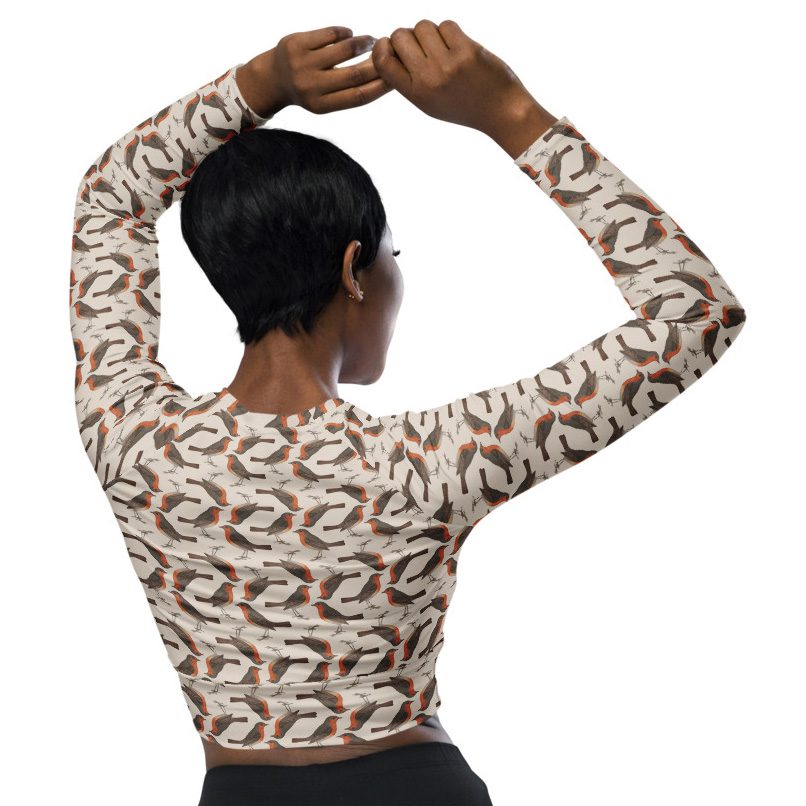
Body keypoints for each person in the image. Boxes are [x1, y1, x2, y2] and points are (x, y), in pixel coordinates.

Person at [69, 19, 747, 806]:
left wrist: (262, 83)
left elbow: (112, 197)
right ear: (354, 269)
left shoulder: (137, 445)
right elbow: (695, 315)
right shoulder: (428, 460)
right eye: (395, 254)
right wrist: (511, 115)